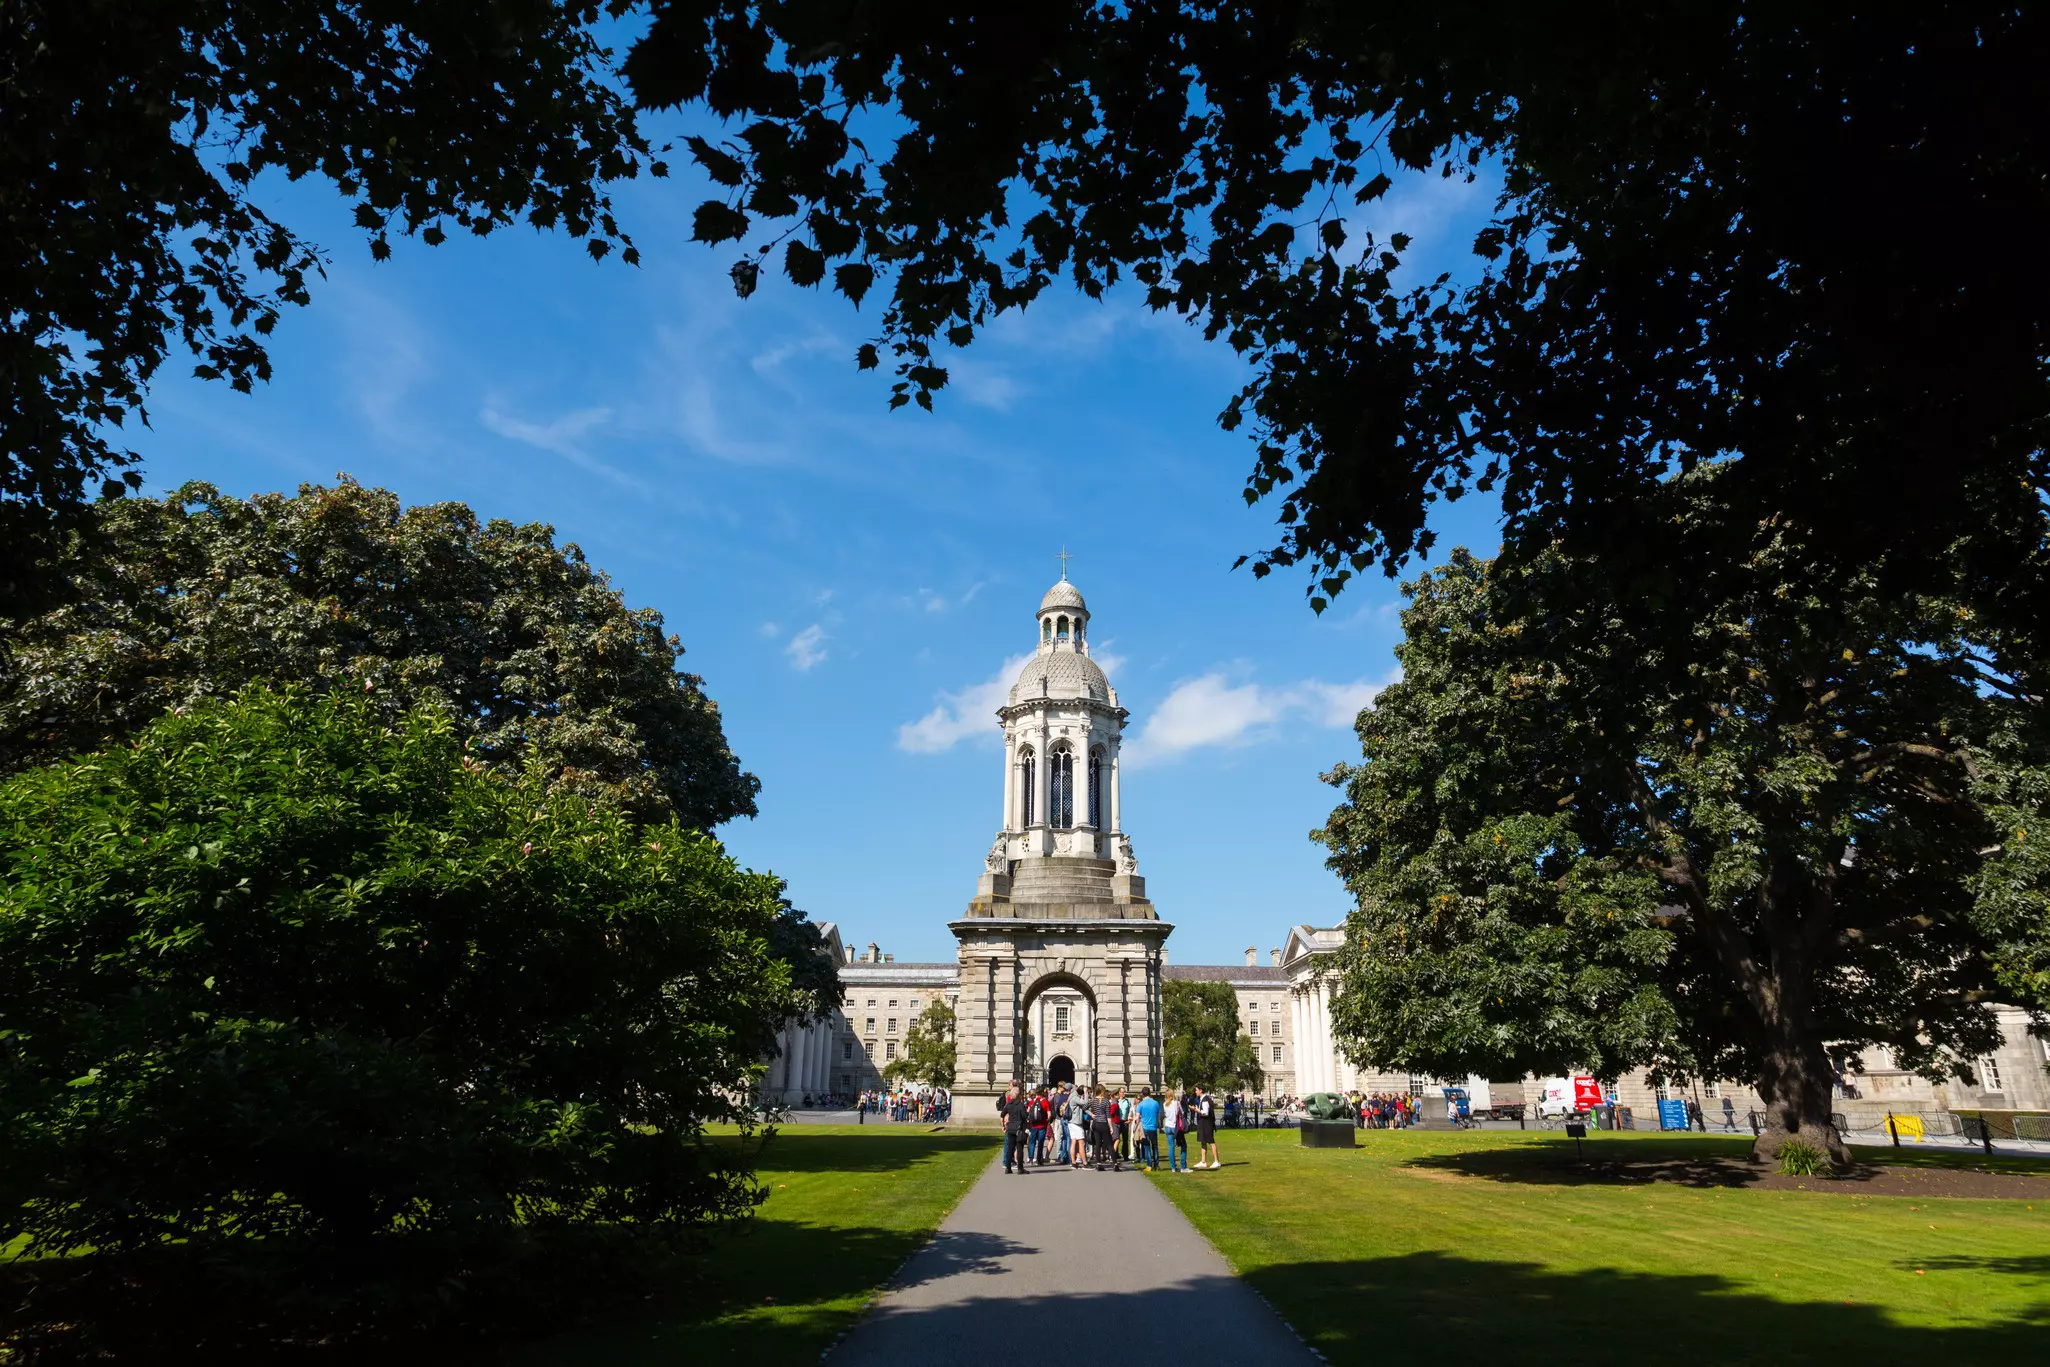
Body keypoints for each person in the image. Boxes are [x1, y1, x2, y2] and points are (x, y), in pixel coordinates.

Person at [998, 1081, 1030, 1174]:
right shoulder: (1020, 1105)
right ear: (1018, 1095)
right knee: (1019, 1148)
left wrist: (1003, 1126)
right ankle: (1020, 1168)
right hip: (1019, 1128)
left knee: (1010, 1148)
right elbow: (1024, 1116)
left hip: (1010, 1127)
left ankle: (1008, 1168)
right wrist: (1027, 1112)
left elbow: (1002, 1114)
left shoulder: (1009, 1105)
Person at [1193, 1084, 1220, 1169]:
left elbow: (1205, 1112)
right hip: (1203, 1123)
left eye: (1196, 1090)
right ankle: (1203, 1161)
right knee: (1203, 1141)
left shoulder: (1205, 1100)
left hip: (1207, 1123)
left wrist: (1197, 1110)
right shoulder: (1202, 1099)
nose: (1195, 1092)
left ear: (1201, 1090)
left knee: (1211, 1141)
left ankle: (1216, 1161)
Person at [1137, 1087, 1163, 1169]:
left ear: (1142, 1094)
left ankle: (1149, 1165)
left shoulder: (1141, 1104)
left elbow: (1137, 1117)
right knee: (1155, 1146)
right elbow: (1159, 1115)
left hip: (1145, 1127)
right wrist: (1159, 1124)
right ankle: (1156, 1165)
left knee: (1147, 1146)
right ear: (1149, 1093)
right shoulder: (1155, 1103)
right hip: (1153, 1127)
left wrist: (1137, 1126)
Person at [1163, 1090, 1187, 1173]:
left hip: (1167, 1126)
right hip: (1175, 1126)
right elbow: (1182, 1112)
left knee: (1171, 1147)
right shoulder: (1176, 1103)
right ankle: (1183, 1166)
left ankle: (1173, 1167)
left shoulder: (1164, 1104)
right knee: (1183, 1145)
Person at [1068, 1085, 1090, 1167]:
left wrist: (1091, 1114)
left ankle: (1073, 1162)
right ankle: (1085, 1162)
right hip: (1076, 1122)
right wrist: (1086, 1093)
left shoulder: (1072, 1095)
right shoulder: (1075, 1098)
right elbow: (1085, 1103)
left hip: (1071, 1122)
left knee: (1073, 1142)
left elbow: (1082, 1107)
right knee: (1081, 1142)